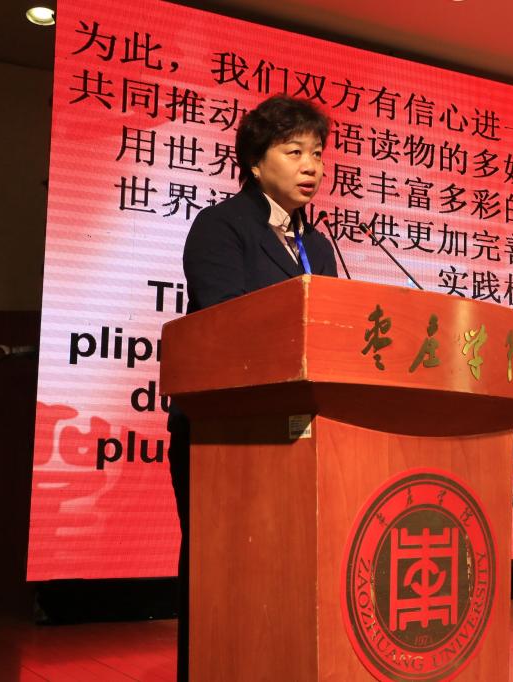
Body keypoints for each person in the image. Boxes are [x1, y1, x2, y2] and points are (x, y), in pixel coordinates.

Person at [166, 95, 338, 681]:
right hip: (224, 430)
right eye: (294, 152)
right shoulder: (222, 227)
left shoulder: (319, 246)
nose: (311, 165)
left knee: (285, 570)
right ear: (256, 163)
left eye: (317, 153)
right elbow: (224, 322)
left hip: (298, 430)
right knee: (220, 567)